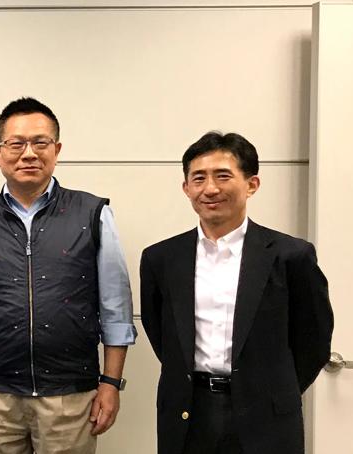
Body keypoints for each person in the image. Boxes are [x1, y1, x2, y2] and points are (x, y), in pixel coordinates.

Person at [0, 97, 135, 454]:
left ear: (57, 149)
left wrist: (111, 382)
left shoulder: (92, 212)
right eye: (16, 144)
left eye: (40, 143)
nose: (29, 154)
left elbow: (116, 308)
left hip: (70, 396)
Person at [140, 131, 333, 454]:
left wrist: (274, 389)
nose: (210, 188)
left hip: (266, 415)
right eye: (198, 178)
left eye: (223, 176)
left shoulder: (290, 256)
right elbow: (160, 333)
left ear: (251, 184)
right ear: (186, 188)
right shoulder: (161, 258)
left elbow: (313, 341)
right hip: (188, 412)